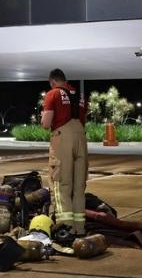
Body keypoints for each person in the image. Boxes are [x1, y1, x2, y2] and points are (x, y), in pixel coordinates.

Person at [40, 69, 87, 236]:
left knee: (61, 185)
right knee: (78, 187)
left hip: (63, 139)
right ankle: (80, 229)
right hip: (81, 138)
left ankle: (65, 230)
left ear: (52, 81)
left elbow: (46, 123)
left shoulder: (52, 94)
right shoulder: (79, 97)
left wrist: (42, 117)